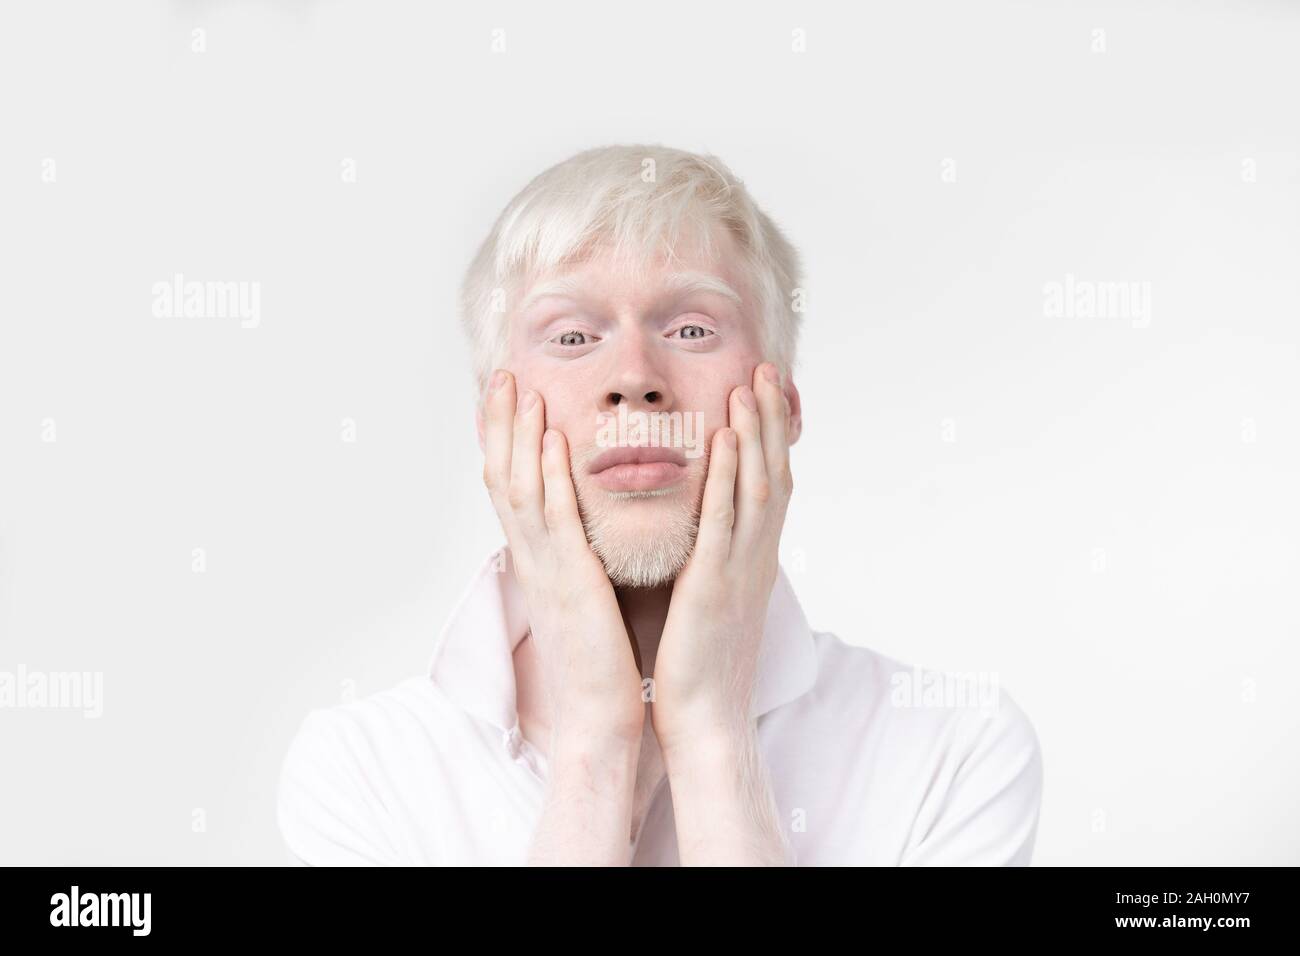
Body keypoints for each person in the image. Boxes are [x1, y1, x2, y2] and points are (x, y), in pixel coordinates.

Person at [276, 144, 1043, 866]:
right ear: (491, 427)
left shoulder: (952, 752)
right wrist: (596, 741)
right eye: (573, 336)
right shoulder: (362, 774)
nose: (635, 377)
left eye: (691, 328)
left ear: (786, 405)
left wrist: (713, 737)